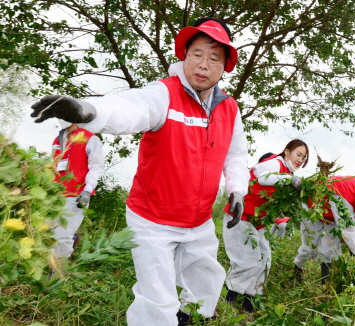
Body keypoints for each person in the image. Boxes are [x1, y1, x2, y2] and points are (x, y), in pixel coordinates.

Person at [31, 17, 249, 326]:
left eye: (214, 58)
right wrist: (88, 111)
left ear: (225, 66)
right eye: (197, 53)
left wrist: (237, 189)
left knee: (205, 286)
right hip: (153, 220)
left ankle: (186, 319)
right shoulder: (163, 94)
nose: (204, 64)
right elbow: (127, 109)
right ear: (184, 56)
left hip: (198, 220)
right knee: (157, 299)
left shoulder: (229, 109)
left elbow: (236, 155)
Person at [223, 139, 308, 313]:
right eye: (298, 154)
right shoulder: (275, 163)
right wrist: (288, 179)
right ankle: (229, 299)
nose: (300, 159)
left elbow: (271, 202)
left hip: (259, 223)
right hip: (241, 217)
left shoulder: (288, 175)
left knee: (265, 260)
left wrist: (280, 219)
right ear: (287, 152)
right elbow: (260, 174)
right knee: (247, 261)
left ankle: (250, 300)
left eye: (304, 157)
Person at [51, 121, 104, 259]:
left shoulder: (90, 139)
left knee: (62, 238)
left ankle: (58, 274)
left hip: (76, 195)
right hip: (56, 194)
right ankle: (72, 240)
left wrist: (87, 190)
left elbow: (97, 167)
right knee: (49, 233)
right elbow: (54, 165)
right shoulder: (58, 139)